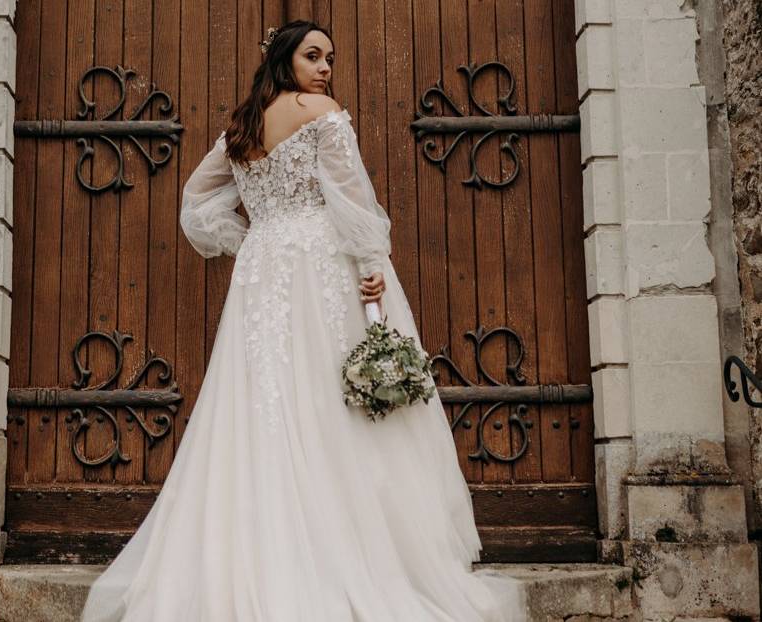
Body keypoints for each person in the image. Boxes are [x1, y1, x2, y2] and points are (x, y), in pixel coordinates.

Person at [80, 19, 528, 622]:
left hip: (264, 271)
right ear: (286, 60)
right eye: (313, 56)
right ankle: (346, 551)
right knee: (331, 401)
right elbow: (351, 196)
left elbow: (196, 201)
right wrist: (371, 264)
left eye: (330, 59)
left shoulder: (241, 125)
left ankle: (263, 546)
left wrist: (252, 238)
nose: (324, 68)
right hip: (320, 263)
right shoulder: (320, 111)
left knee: (263, 401)